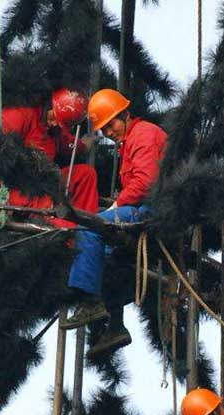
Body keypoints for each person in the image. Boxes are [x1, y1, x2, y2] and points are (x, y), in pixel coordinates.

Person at [62, 88, 168, 357]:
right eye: (104, 129)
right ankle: (116, 324)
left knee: (90, 226)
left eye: (112, 124)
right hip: (147, 208)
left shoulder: (143, 135)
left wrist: (118, 204)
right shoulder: (133, 139)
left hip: (152, 210)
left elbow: (145, 182)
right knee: (106, 255)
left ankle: (88, 300)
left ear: (125, 115)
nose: (109, 132)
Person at [0, 87, 99, 216]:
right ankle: (67, 232)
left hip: (43, 183)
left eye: (61, 123)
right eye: (54, 117)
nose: (55, 124)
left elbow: (66, 143)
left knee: (86, 174)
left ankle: (87, 228)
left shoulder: (53, 128)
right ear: (50, 104)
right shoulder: (19, 115)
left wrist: (82, 145)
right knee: (53, 205)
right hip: (15, 188)